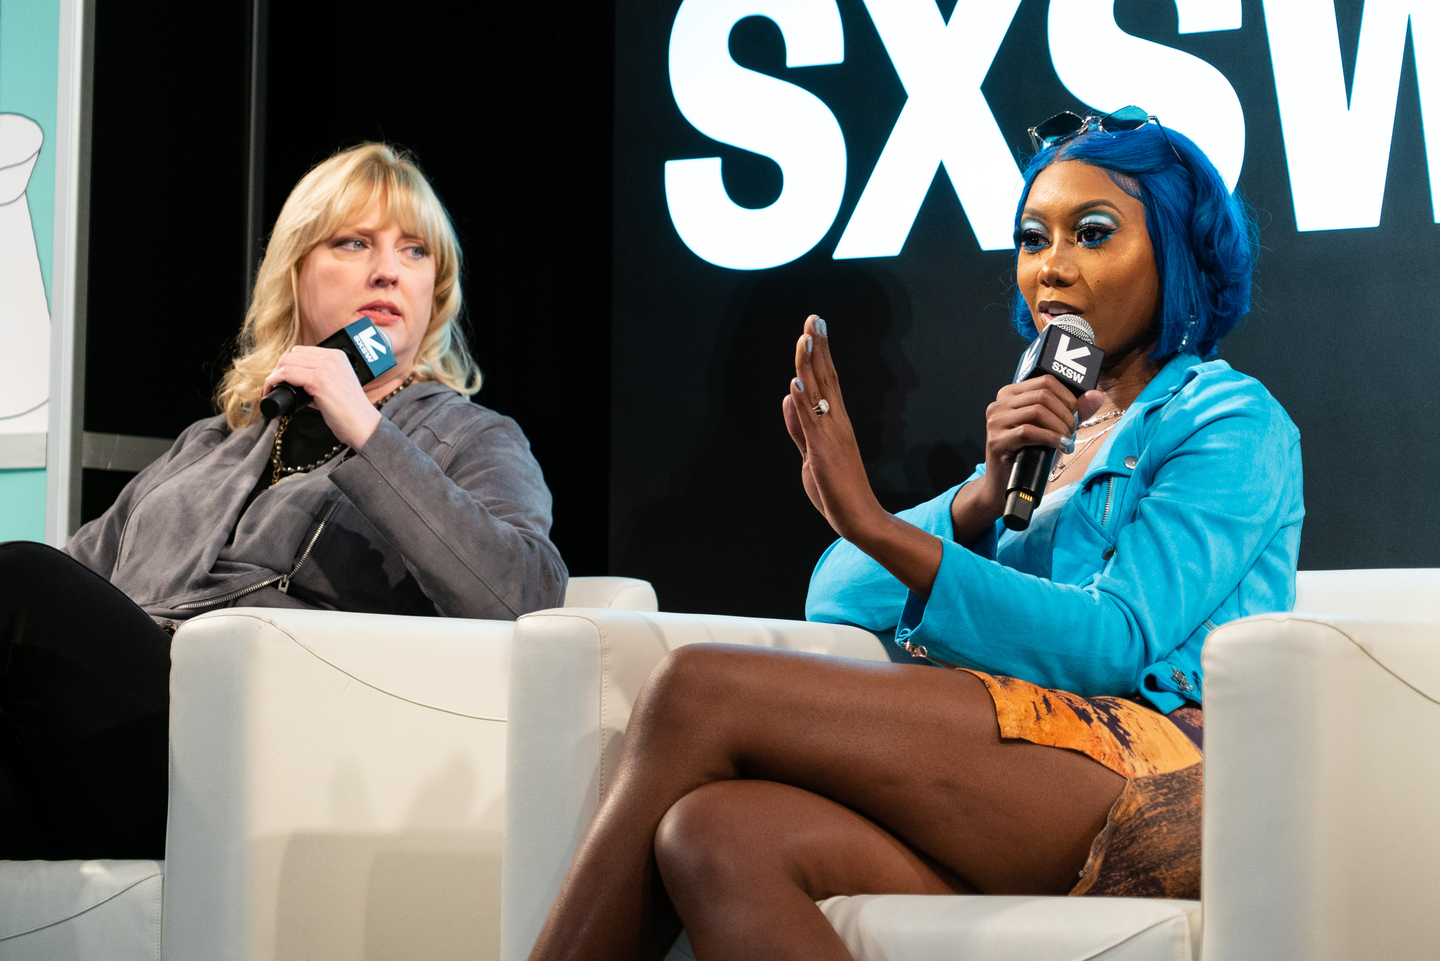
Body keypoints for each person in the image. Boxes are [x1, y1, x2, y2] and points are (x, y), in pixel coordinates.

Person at [524, 111, 1302, 960]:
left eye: (1092, 233)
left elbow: (1113, 642)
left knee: (695, 689)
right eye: (1033, 238)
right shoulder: (1047, 433)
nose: (1052, 266)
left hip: (1165, 776)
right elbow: (837, 596)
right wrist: (980, 495)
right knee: (711, 835)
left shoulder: (1231, 420)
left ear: (1178, 251)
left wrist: (870, 519)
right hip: (1034, 764)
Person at [0, 143, 567, 860]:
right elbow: (74, 586)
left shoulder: (470, 438)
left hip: (258, 747)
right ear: (296, 272)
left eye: (415, 251)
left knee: (15, 578)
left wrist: (365, 428)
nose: (388, 270)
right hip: (119, 735)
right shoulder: (212, 442)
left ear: (436, 291)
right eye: (354, 242)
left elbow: (526, 596)